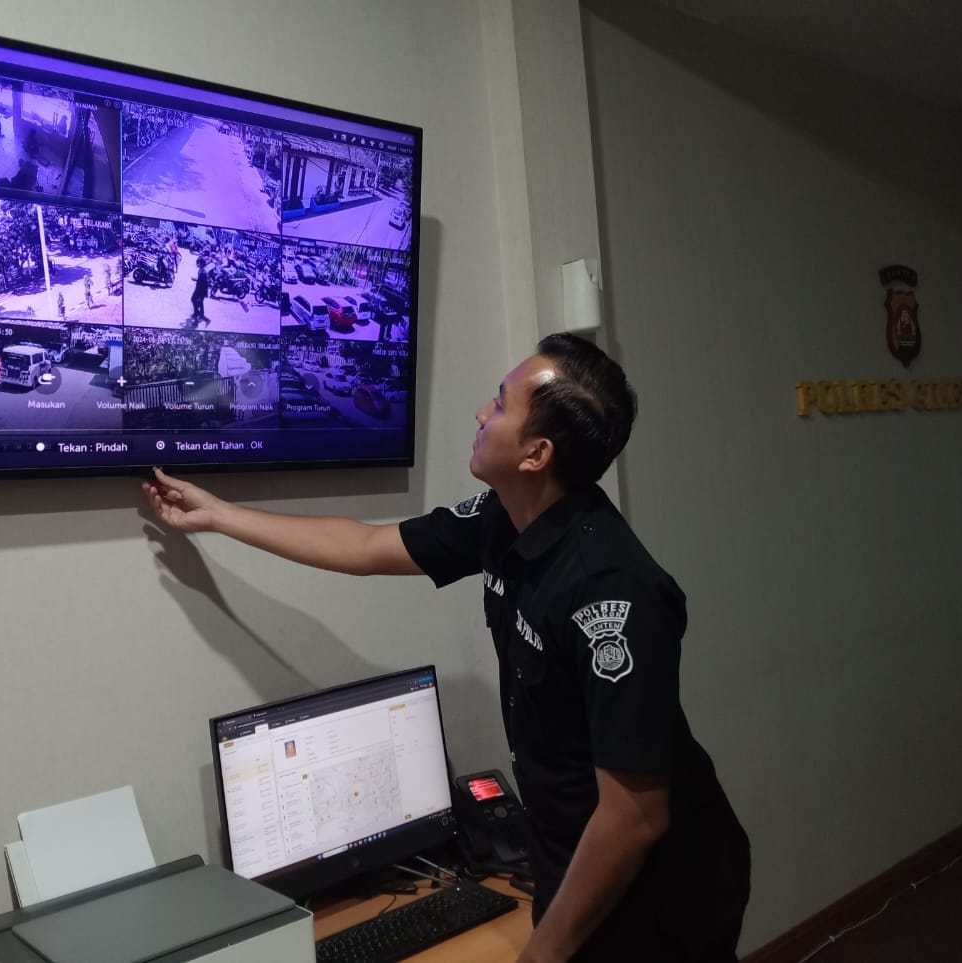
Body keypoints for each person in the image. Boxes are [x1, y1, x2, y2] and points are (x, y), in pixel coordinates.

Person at [143, 334, 750, 963]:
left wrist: (545, 950)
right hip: (570, 857)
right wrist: (217, 515)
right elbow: (364, 547)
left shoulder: (613, 587)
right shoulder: (504, 517)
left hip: (656, 888)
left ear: (537, 454)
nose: (482, 414)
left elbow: (635, 817)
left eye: (501, 404)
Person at [189, 256, 210, 327]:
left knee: (194, 300)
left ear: (201, 263)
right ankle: (201, 314)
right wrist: (196, 279)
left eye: (198, 263)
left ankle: (197, 314)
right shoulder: (201, 269)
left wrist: (200, 294)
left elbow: (203, 283)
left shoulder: (203, 272)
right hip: (199, 288)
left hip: (200, 290)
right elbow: (200, 280)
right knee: (200, 302)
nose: (197, 264)